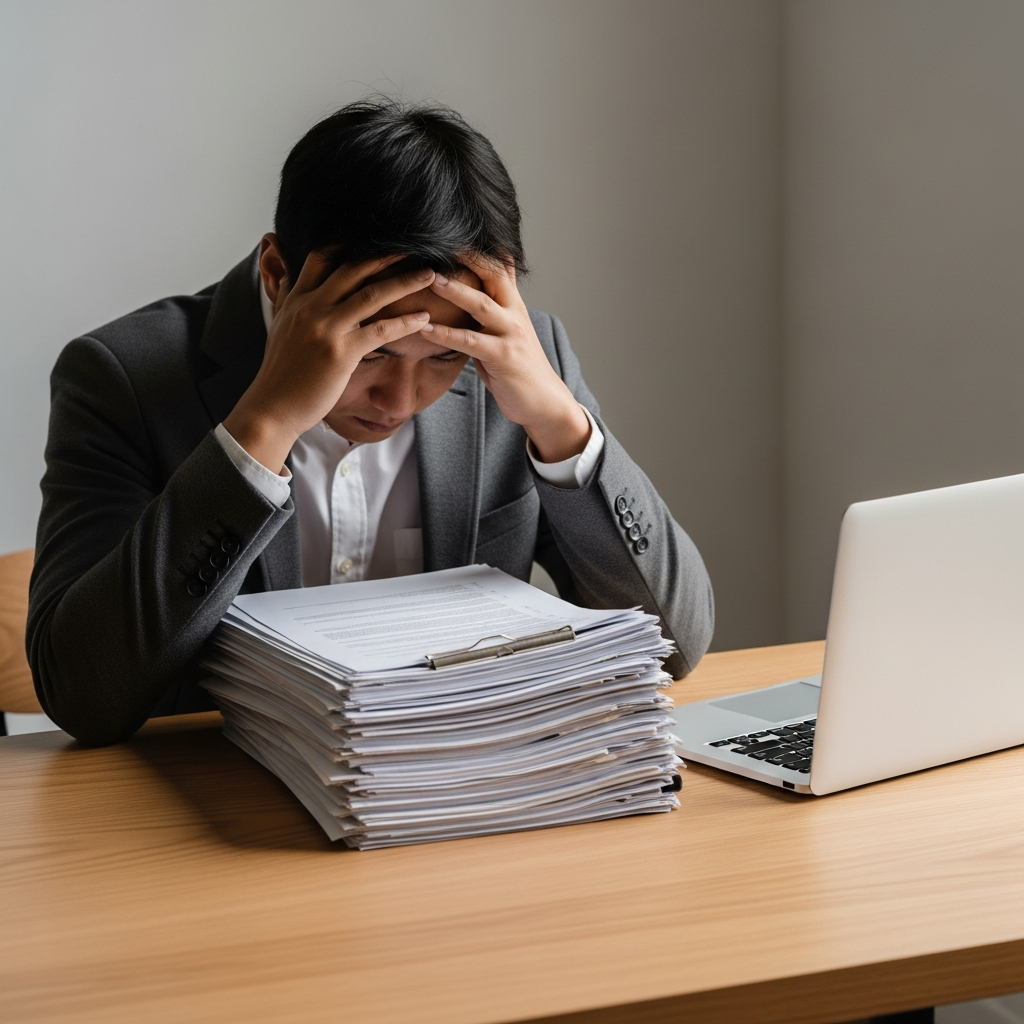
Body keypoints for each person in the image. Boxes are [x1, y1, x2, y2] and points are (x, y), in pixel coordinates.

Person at [27, 98, 714, 746]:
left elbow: (677, 644)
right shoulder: (122, 377)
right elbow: (83, 695)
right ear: (277, 273)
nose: (399, 399)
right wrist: (262, 426)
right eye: (374, 350)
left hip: (455, 796)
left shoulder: (520, 364)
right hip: (216, 820)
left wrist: (561, 426)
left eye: (443, 358)